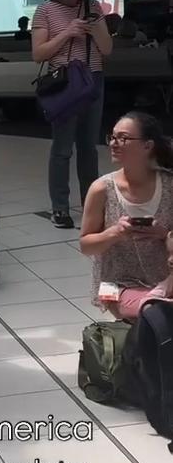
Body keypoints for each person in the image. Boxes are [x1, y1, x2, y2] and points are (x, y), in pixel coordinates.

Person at [32, 0, 113, 229]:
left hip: (92, 80)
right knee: (63, 148)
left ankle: (91, 206)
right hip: (66, 83)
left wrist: (95, 28)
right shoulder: (45, 10)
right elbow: (38, 53)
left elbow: (107, 49)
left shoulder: (92, 6)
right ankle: (60, 207)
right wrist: (67, 33)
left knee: (89, 148)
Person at [80, 112, 173, 321]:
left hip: (166, 281)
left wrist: (163, 234)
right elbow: (86, 245)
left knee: (158, 312)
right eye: (112, 137)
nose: (114, 143)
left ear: (147, 146)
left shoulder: (169, 185)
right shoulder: (101, 189)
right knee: (155, 313)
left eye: (123, 138)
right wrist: (114, 233)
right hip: (111, 287)